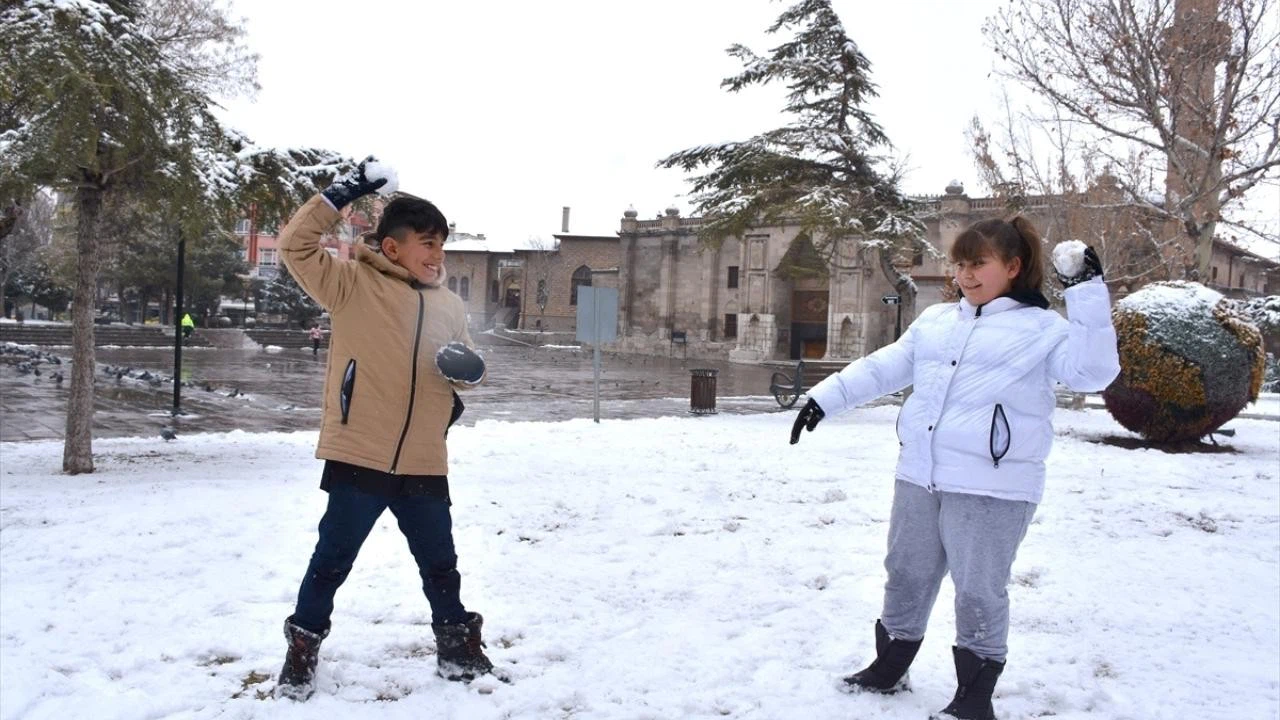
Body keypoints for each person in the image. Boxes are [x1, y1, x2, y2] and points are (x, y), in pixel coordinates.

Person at [790, 217, 1119, 720]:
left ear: (1012, 267)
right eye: (960, 264)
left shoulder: (1044, 330)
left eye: (978, 263)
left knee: (979, 589)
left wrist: (1086, 291)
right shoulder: (937, 322)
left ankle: (973, 697)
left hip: (994, 485)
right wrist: (825, 398)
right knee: (905, 573)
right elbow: (885, 365)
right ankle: (889, 666)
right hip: (920, 474)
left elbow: (1093, 372)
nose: (966, 274)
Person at [273, 157, 495, 701]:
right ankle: (302, 651)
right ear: (393, 247)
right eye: (427, 243)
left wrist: (465, 373)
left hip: (422, 458)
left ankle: (458, 649)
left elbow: (454, 369)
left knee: (441, 564)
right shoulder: (350, 284)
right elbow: (294, 246)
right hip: (360, 453)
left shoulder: (449, 305)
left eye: (441, 244)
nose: (437, 254)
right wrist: (340, 195)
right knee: (331, 561)